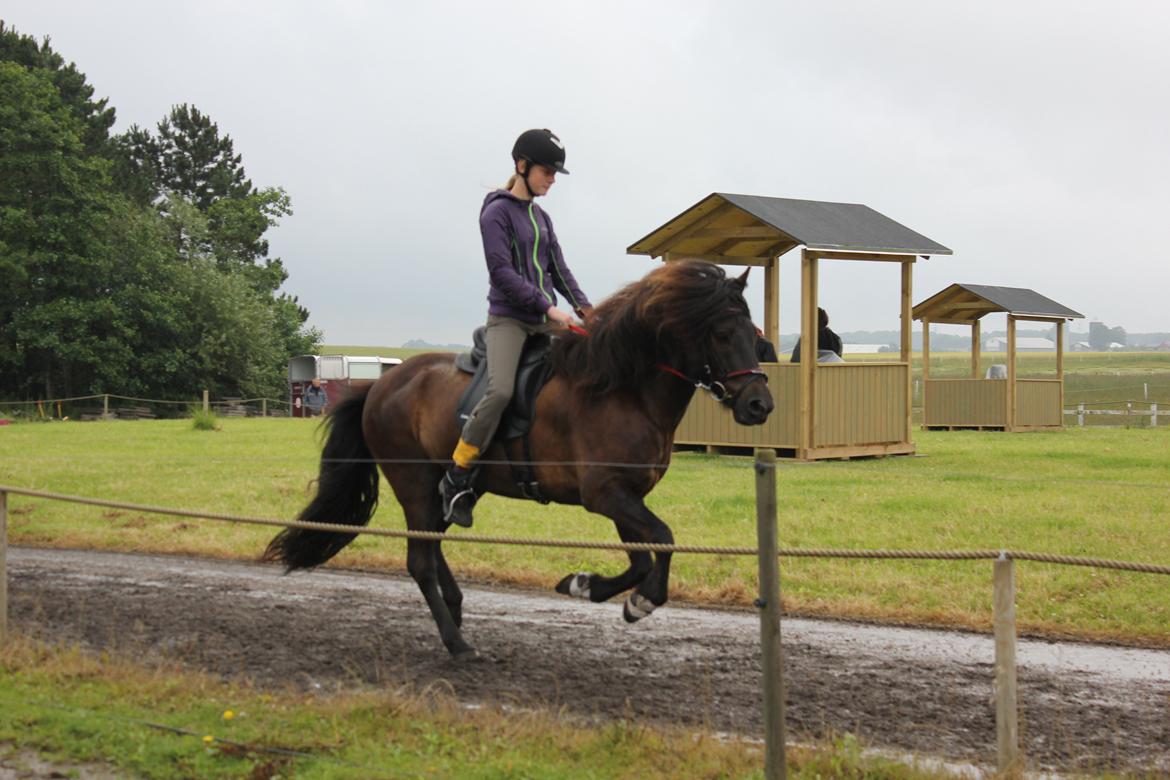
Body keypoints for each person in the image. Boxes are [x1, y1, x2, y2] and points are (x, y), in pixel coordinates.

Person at [439, 129, 592, 528]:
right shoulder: (496, 213)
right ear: (522, 166)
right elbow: (502, 273)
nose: (552, 179)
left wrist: (585, 308)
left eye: (555, 173)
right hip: (509, 321)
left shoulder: (542, 218)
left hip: (545, 322)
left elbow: (559, 269)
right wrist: (549, 309)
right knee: (501, 390)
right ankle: (458, 473)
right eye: (547, 171)